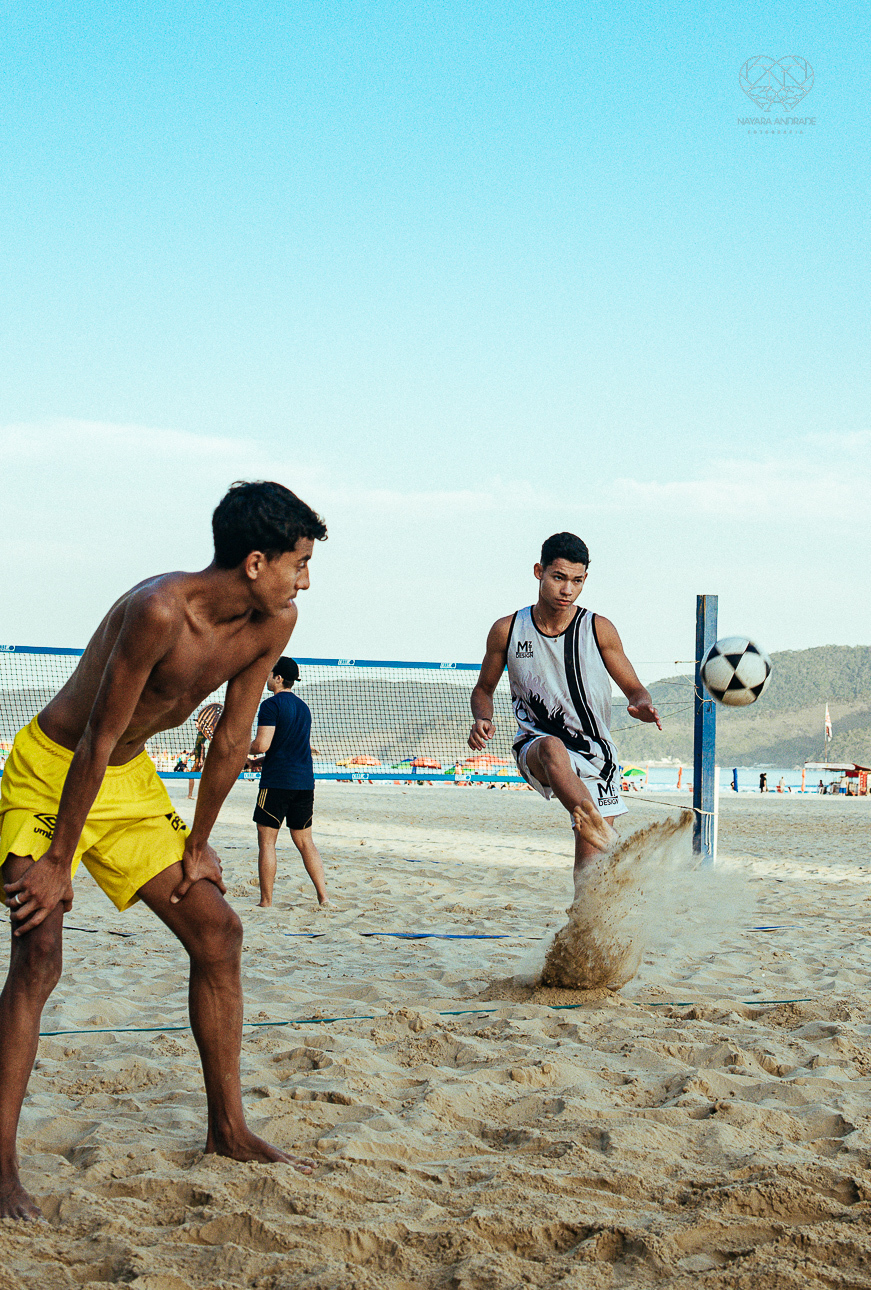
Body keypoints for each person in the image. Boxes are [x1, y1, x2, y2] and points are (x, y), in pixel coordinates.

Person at [0, 480, 327, 1221]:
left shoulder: (274, 622)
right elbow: (95, 736)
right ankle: (0, 1169)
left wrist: (201, 842)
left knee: (218, 932)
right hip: (56, 769)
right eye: (298, 563)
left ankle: (229, 1131)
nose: (305, 580)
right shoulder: (158, 610)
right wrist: (57, 859)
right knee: (39, 951)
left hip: (131, 783)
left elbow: (235, 735)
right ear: (253, 561)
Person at [468, 532, 661, 876]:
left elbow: (634, 689)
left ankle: (588, 923)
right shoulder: (507, 630)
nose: (567, 590)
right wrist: (483, 717)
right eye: (558, 577)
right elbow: (483, 689)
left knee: (590, 872)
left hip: (596, 756)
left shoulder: (598, 628)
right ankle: (604, 832)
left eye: (577, 581)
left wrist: (642, 705)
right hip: (537, 746)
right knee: (552, 748)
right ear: (538, 571)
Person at [247, 656, 328, 908]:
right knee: (306, 842)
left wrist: (241, 750)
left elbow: (262, 744)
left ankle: (266, 902)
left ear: (278, 678)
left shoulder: (271, 705)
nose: (266, 677)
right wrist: (259, 761)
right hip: (304, 782)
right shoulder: (304, 707)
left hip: (277, 783)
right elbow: (287, 748)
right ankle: (324, 898)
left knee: (267, 842)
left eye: (269, 673)